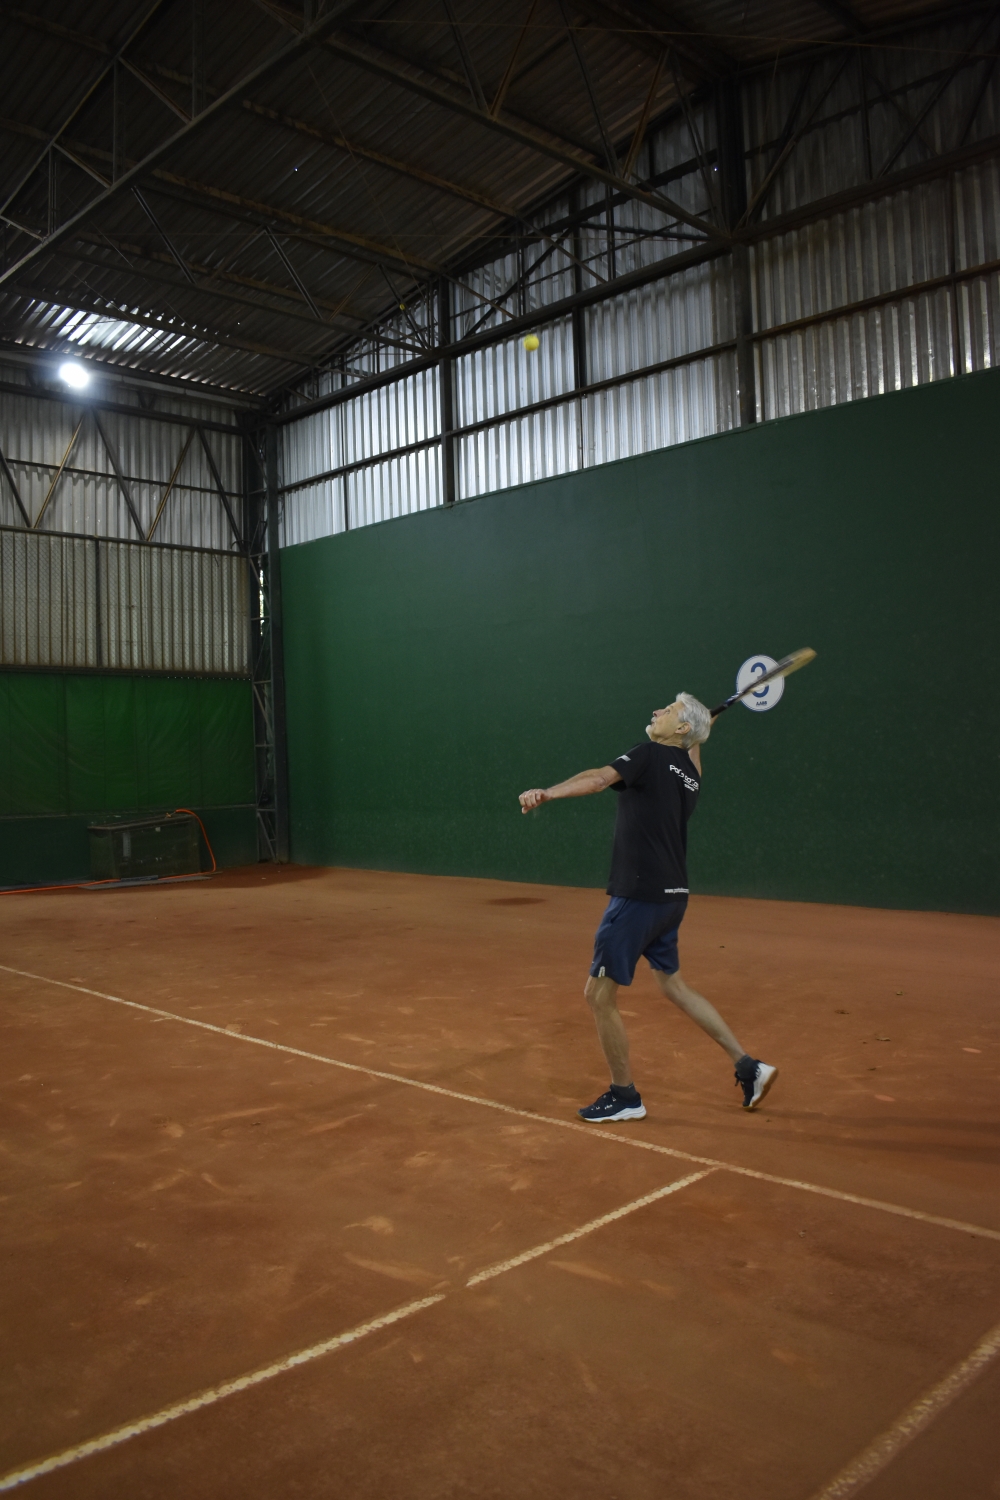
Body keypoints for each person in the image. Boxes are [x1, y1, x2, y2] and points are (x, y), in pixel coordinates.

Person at [518, 693, 777, 1122]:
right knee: (673, 985)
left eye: (668, 710)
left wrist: (549, 792)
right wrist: (696, 731)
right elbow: (694, 746)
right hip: (672, 896)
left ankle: (625, 1096)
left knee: (598, 994)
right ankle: (748, 1066)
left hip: (638, 895)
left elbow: (599, 779)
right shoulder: (690, 775)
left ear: (680, 729)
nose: (657, 711)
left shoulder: (650, 754)